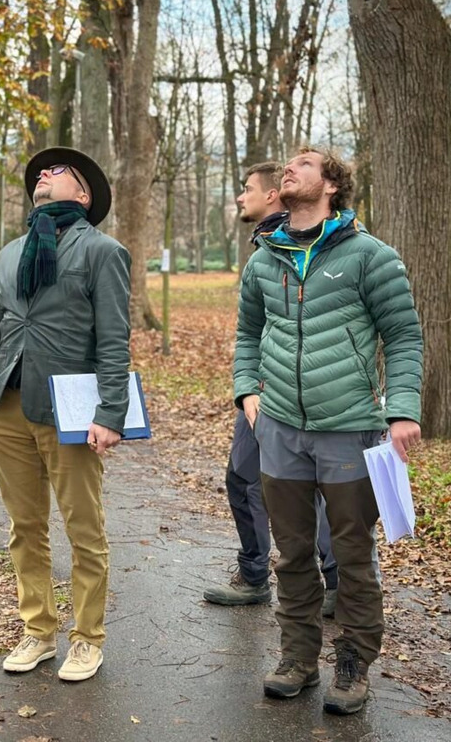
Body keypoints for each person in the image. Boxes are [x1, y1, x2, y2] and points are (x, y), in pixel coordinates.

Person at [235, 147, 422, 715]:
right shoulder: (264, 258)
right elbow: (247, 334)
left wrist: (403, 410)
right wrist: (246, 389)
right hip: (279, 429)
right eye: (287, 165)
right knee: (292, 553)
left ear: (332, 185)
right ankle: (296, 658)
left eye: (305, 163)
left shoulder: (370, 256)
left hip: (349, 428)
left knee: (351, 554)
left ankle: (353, 663)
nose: (289, 169)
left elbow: (404, 336)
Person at [0, 147, 131, 683]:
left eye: (58, 170)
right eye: (41, 170)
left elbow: (113, 339)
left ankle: (87, 638)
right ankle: (38, 631)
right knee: (24, 526)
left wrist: (111, 412)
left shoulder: (103, 251)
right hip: (6, 406)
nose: (43, 172)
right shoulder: (10, 253)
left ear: (83, 194)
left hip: (71, 411)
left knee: (83, 529)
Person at [204, 163, 340, 616]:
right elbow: (252, 328)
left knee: (309, 488)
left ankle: (335, 583)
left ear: (272, 196)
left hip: (300, 390)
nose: (240, 197)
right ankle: (255, 575)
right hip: (261, 386)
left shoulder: (308, 242)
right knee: (245, 478)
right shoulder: (266, 244)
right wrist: (248, 386)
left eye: (248, 189)